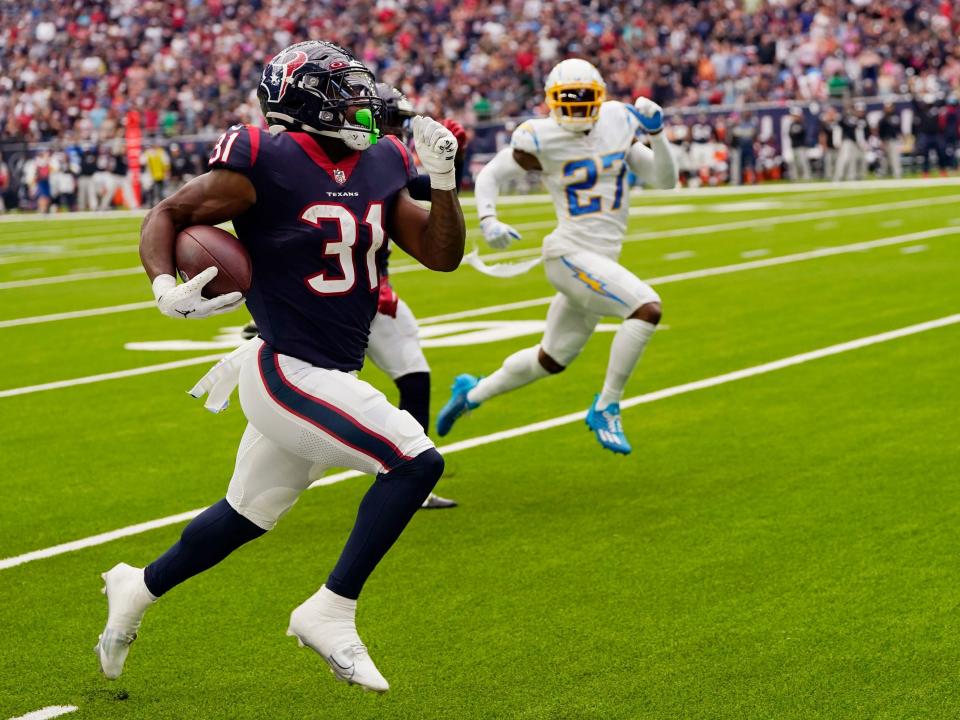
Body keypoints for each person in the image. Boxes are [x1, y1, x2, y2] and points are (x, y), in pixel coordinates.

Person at [94, 41, 465, 693]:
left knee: (245, 515)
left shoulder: (382, 161)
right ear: (306, 102)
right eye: (346, 91)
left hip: (333, 368)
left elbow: (440, 255)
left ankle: (137, 586)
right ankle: (329, 610)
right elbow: (170, 213)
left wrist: (443, 181)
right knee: (414, 459)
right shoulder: (264, 158)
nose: (363, 101)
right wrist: (162, 285)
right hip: (285, 366)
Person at [238, 83, 466, 510]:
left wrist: (449, 167)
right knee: (393, 380)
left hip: (359, 287)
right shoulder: (356, 158)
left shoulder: (381, 156)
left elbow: (420, 199)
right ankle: (404, 466)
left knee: (407, 376)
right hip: (349, 294)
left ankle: (405, 465)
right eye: (389, 118)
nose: (392, 127)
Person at [435, 58, 677, 455]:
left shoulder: (618, 121)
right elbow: (491, 174)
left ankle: (473, 393)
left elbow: (665, 180)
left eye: (584, 98)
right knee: (646, 308)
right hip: (569, 253)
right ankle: (607, 405)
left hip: (600, 259)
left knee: (552, 358)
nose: (577, 107)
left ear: (599, 98)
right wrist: (489, 219)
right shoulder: (541, 136)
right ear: (551, 100)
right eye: (568, 99)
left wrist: (658, 134)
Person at [876, 101, 902, 179]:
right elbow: (880, 131)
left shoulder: (896, 116)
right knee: (884, 159)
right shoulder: (883, 118)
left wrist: (900, 136)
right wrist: (881, 141)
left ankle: (897, 174)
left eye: (890, 107)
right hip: (885, 140)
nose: (888, 109)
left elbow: (898, 129)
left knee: (895, 157)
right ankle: (883, 174)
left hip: (894, 140)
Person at [785, 107, 811, 181]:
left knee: (803, 162)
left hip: (801, 146)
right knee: (794, 163)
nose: (793, 117)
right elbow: (790, 135)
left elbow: (800, 134)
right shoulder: (791, 124)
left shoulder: (802, 124)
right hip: (794, 146)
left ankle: (807, 176)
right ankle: (795, 177)